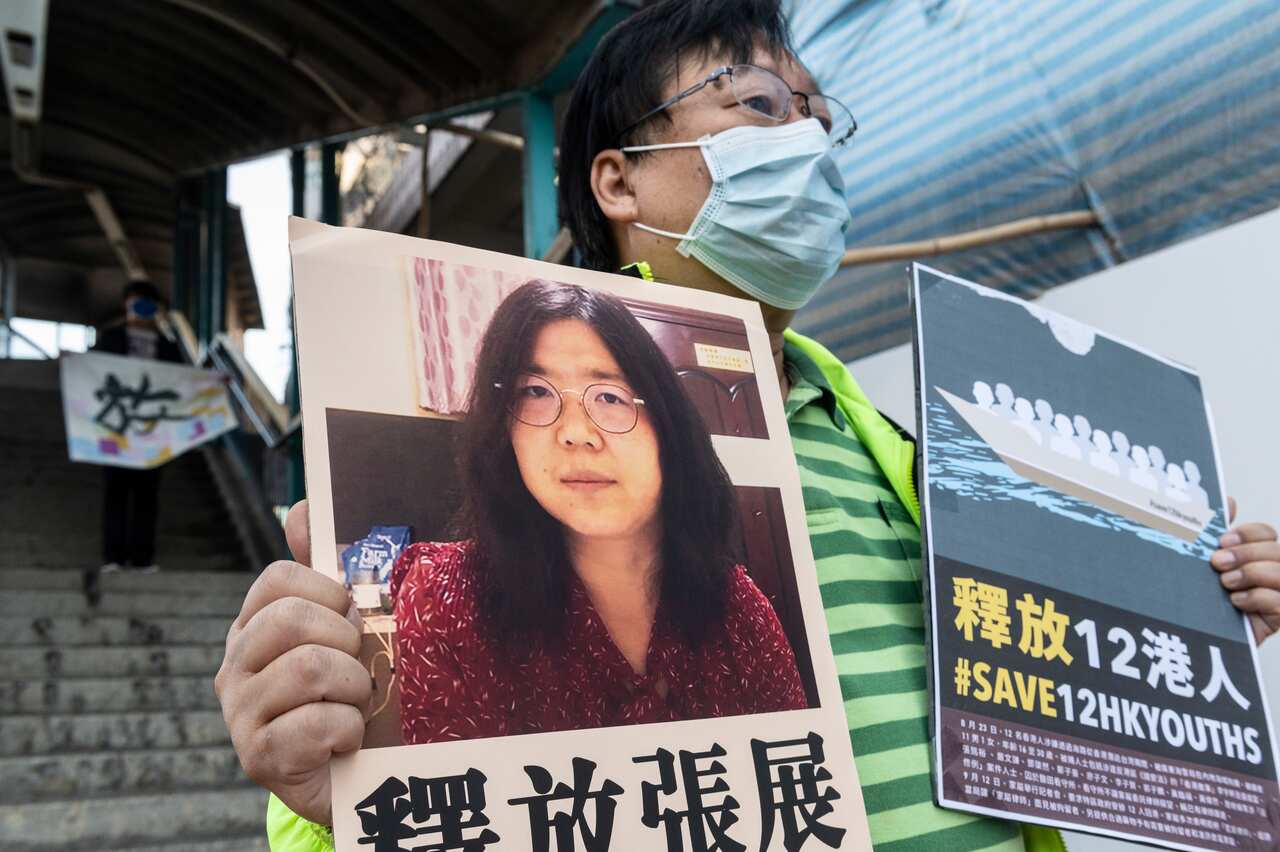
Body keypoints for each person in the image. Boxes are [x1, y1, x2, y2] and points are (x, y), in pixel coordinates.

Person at [215, 2, 1280, 849]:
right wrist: (318, 794)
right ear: (617, 179)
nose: (805, 140)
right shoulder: (435, 591)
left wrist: (1180, 609)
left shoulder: (892, 450)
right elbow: (397, 801)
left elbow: (1032, 684)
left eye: (818, 116)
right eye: (760, 104)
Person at [395, 280, 805, 744]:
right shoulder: (445, 596)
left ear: (669, 426)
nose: (575, 433)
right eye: (536, 391)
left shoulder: (738, 607)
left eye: (610, 397)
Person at [83, 281, 184, 603]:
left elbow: (186, 383)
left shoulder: (169, 348)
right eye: (135, 304)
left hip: (152, 433)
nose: (140, 311)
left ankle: (142, 558)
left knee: (147, 495)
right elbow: (88, 373)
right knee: (115, 492)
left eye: (146, 305)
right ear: (126, 306)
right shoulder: (109, 340)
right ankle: (114, 557)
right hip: (115, 431)